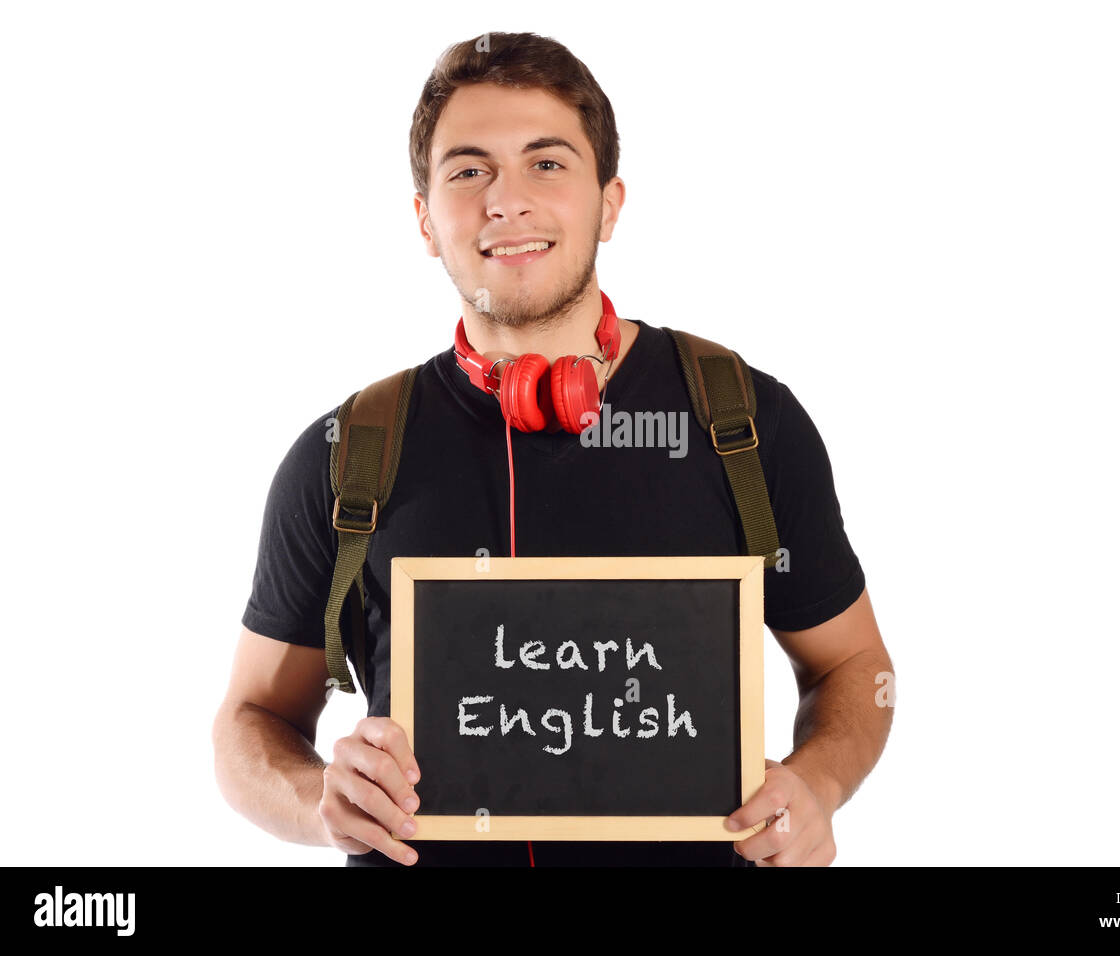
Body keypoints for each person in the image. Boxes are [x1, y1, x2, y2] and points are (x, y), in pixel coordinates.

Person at [212, 30, 894, 867]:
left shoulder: (743, 422)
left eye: (547, 163)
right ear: (426, 220)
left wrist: (816, 786)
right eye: (468, 171)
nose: (507, 200)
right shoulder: (346, 453)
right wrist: (317, 799)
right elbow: (249, 722)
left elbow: (855, 666)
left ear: (609, 203)